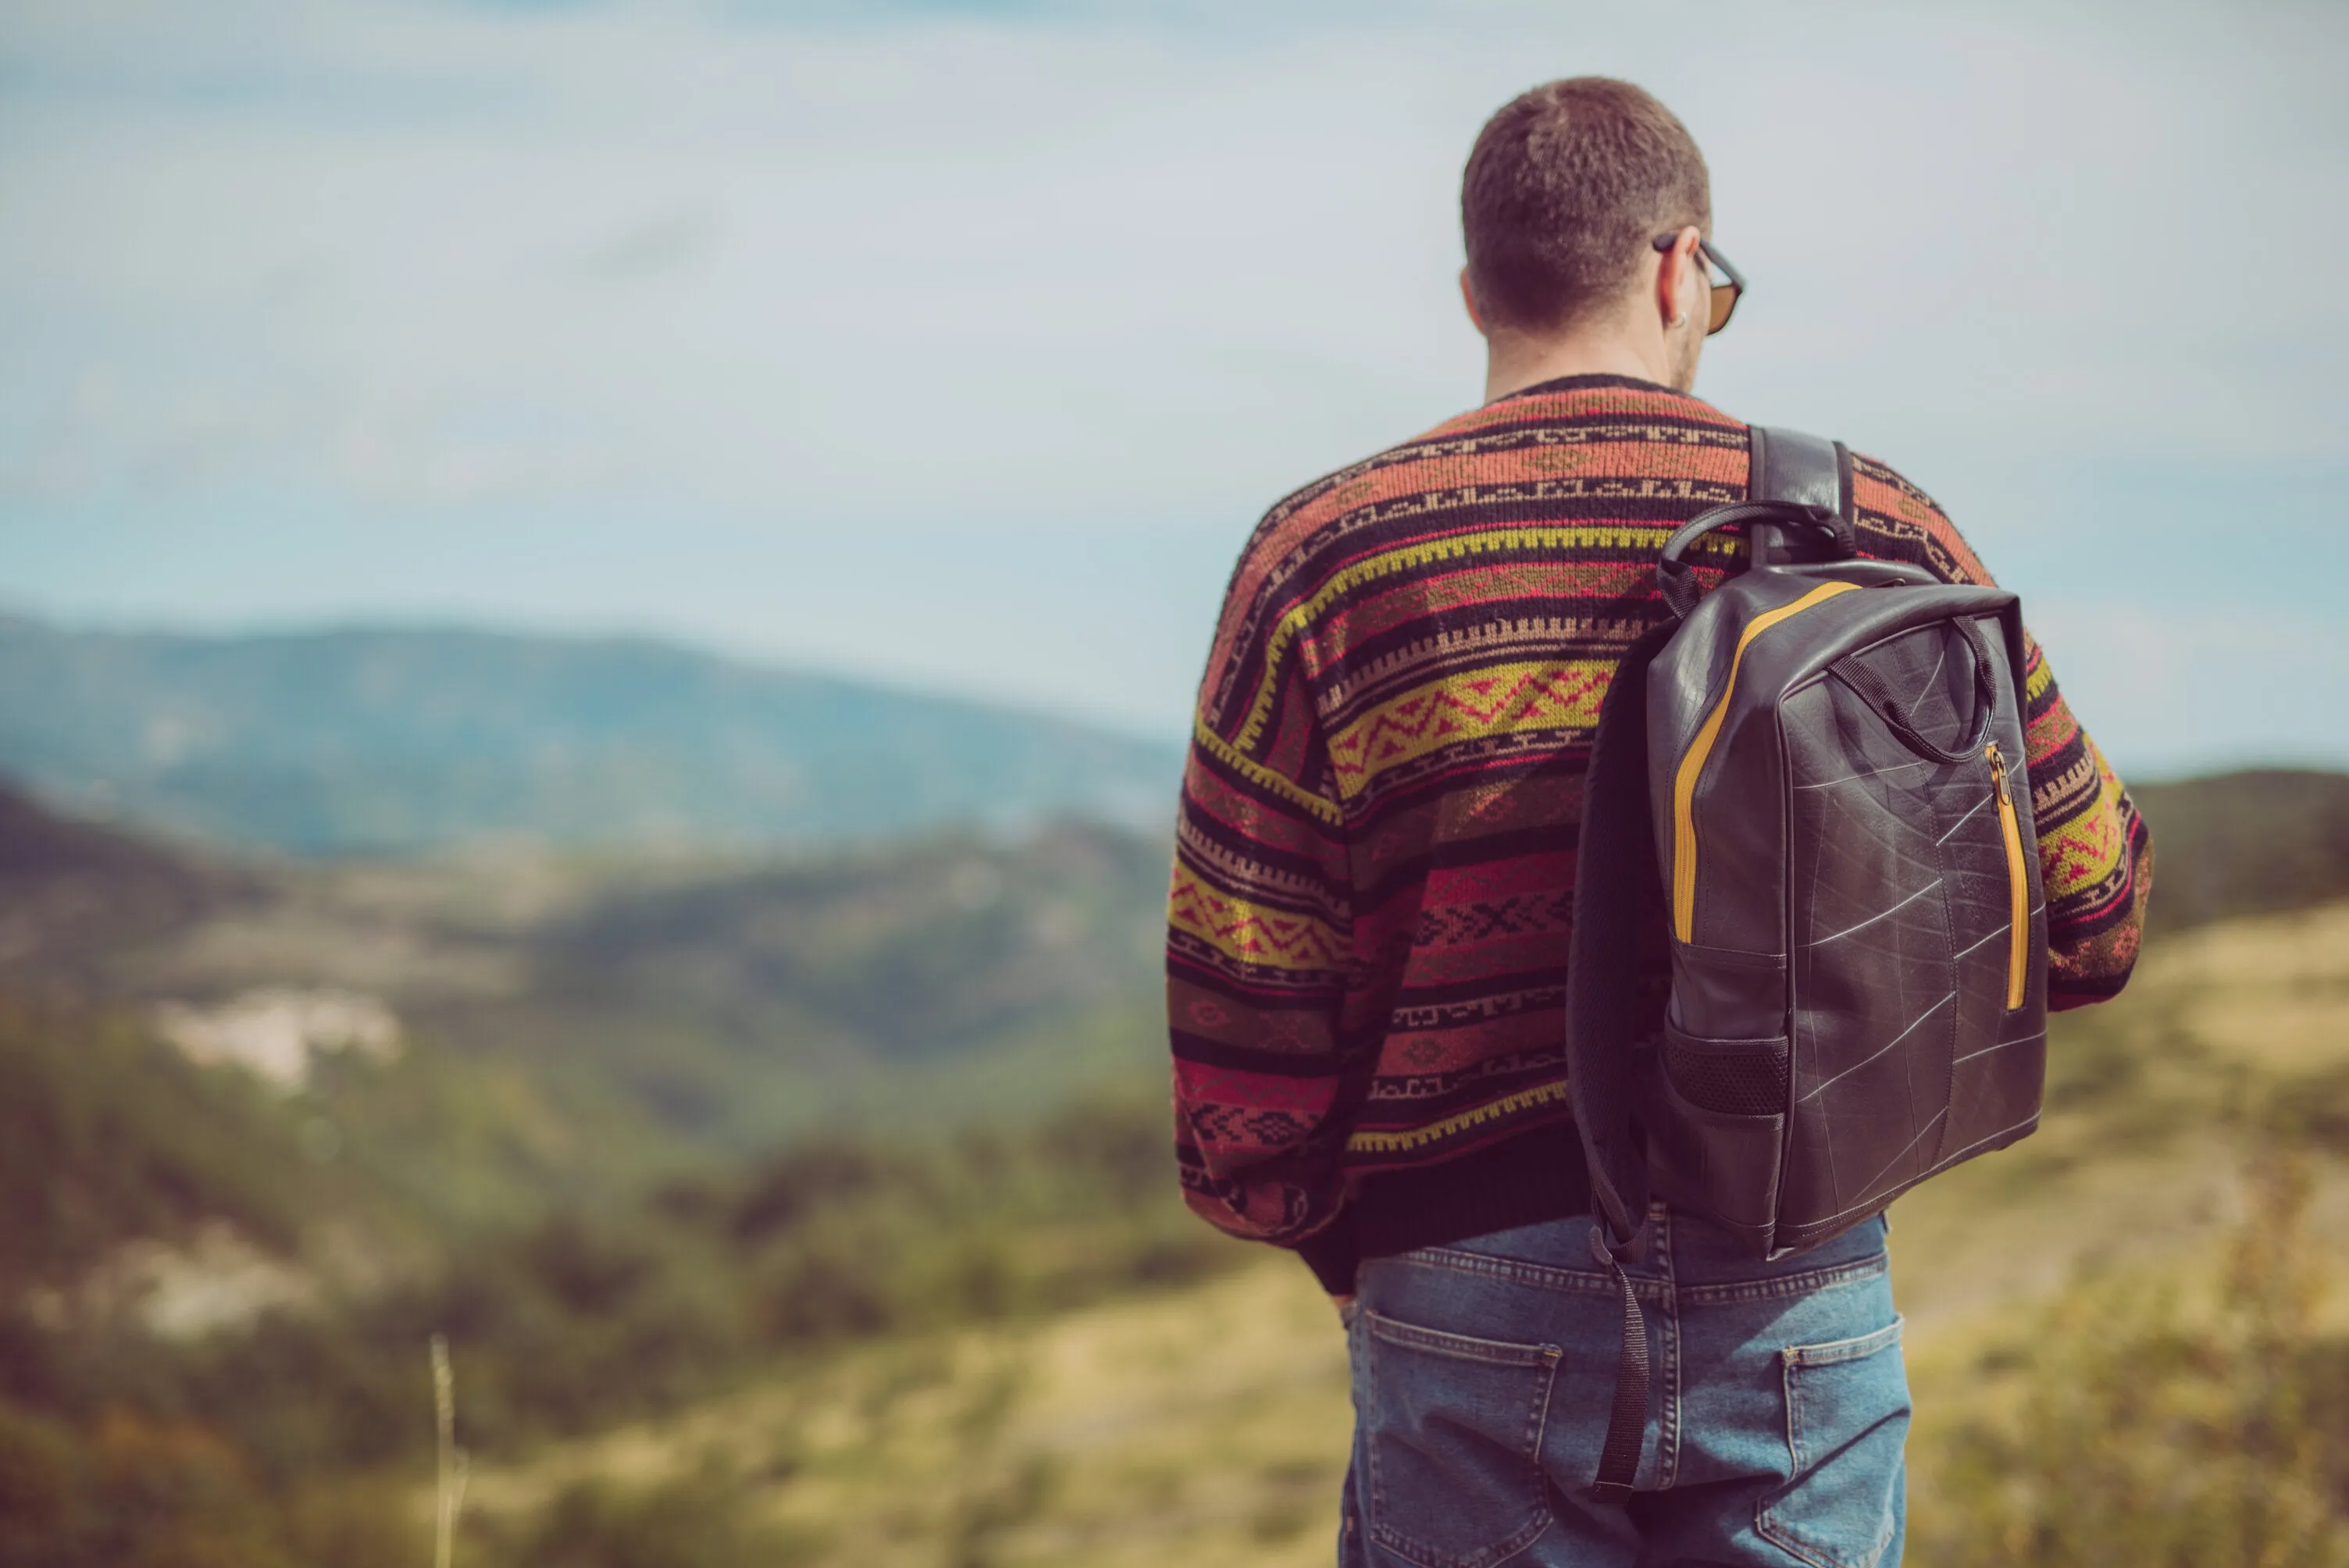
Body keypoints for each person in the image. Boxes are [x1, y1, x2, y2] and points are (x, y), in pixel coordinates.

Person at [1164, 76, 2150, 1566]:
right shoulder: (1866, 532)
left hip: (1460, 1284)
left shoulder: (1325, 556)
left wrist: (1324, 1230)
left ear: (1475, 289)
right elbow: (2092, 910)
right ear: (1683, 267)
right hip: (1799, 1277)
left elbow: (1248, 992)